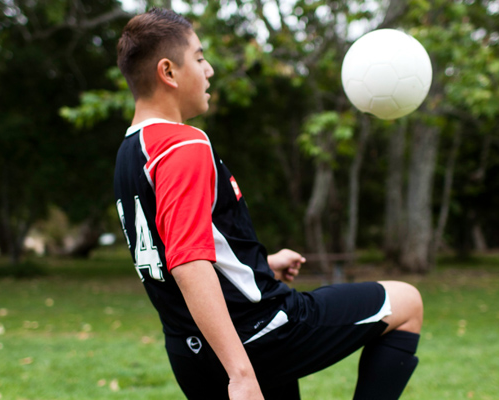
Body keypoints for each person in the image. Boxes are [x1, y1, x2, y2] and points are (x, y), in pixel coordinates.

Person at [113, 8, 423, 400]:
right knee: (407, 303)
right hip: (255, 335)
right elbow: (187, 261)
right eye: (200, 58)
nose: (208, 71)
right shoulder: (184, 144)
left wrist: (257, 266)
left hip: (188, 350)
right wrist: (240, 372)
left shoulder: (130, 153)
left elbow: (167, 246)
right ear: (168, 72)